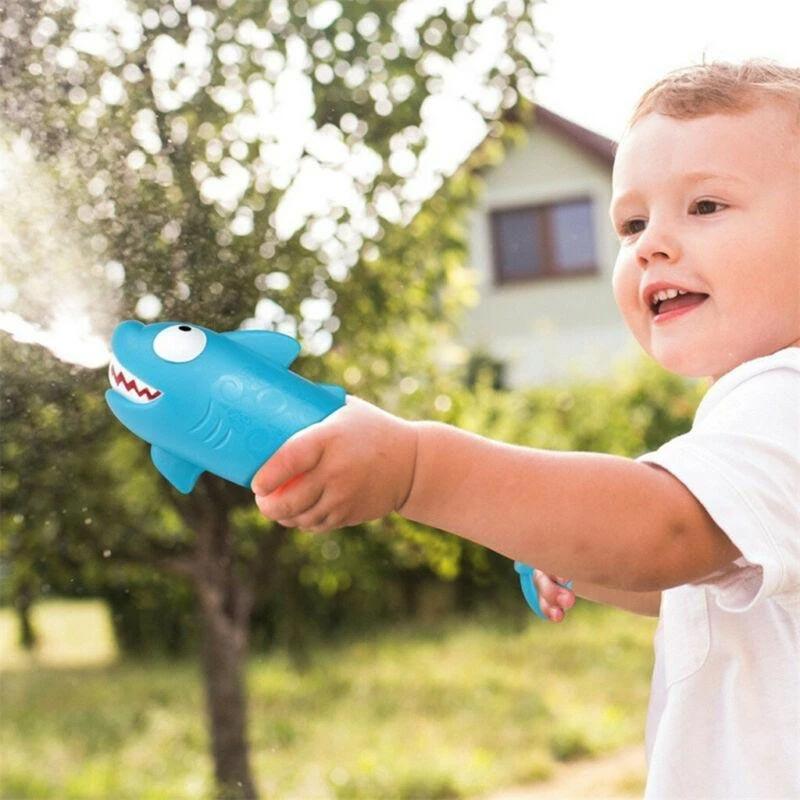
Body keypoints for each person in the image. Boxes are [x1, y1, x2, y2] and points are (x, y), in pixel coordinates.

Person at [252, 60, 800, 799]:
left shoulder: (784, 397)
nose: (651, 245)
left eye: (704, 206)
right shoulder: (752, 415)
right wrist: (578, 548)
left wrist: (419, 468)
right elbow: (703, 576)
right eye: (632, 223)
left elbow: (664, 532)